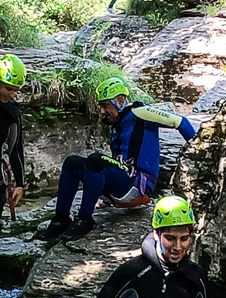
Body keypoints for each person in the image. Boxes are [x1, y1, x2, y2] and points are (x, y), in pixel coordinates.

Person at [37, 77, 197, 242]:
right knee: (71, 163)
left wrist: (198, 150)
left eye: (105, 105)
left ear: (120, 101)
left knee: (95, 160)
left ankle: (85, 219)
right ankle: (61, 220)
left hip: (137, 185)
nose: (102, 111)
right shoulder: (116, 125)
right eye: (101, 106)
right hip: (121, 183)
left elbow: (181, 122)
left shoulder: (140, 112)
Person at [89, 195, 218, 298]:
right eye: (170, 238)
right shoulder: (134, 271)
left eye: (184, 239)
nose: (177, 247)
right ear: (156, 234)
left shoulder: (196, 276)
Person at [0, 54, 25, 223]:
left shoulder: (12, 113)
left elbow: (15, 148)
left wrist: (20, 184)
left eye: (16, 89)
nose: (13, 94)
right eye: (8, 89)